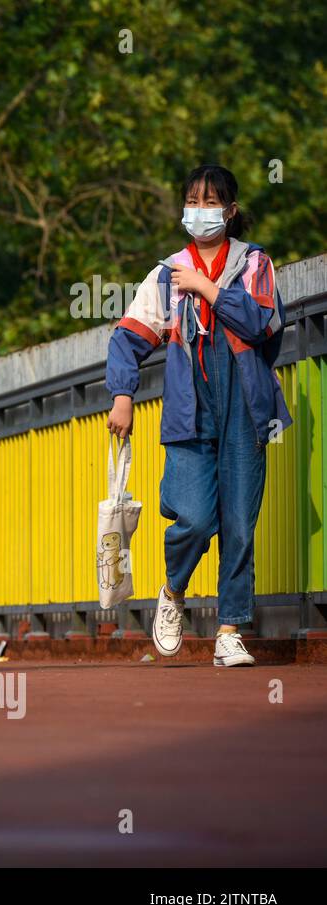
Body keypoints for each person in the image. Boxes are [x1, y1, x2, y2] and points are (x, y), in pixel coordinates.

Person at [106, 164, 289, 667]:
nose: (200, 210)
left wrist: (207, 289)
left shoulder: (254, 264)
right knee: (193, 516)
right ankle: (173, 590)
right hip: (190, 408)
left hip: (246, 405)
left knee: (239, 522)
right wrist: (123, 395)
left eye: (210, 201)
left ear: (230, 211)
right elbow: (126, 339)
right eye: (192, 200)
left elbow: (260, 321)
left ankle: (230, 628)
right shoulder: (166, 275)